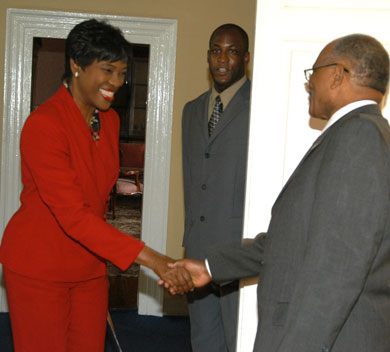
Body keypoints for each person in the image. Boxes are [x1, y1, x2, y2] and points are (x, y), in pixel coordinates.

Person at [170, 34, 390, 351]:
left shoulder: (360, 136)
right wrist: (209, 268)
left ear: (338, 74)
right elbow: (291, 241)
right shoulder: (355, 134)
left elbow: (337, 270)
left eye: (314, 73)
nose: (309, 83)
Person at [0, 19, 191, 352]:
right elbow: (73, 214)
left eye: (122, 72)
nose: (116, 82)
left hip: (89, 265)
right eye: (107, 70)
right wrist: (155, 260)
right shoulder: (44, 124)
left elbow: (98, 199)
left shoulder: (111, 120)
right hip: (39, 266)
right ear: (76, 65)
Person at [181, 23, 250, 352]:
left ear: (246, 58)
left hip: (239, 249)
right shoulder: (192, 111)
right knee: (203, 337)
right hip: (197, 247)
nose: (222, 58)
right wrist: (188, 236)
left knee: (239, 337)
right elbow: (191, 178)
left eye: (232, 51)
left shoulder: (262, 109)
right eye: (216, 50)